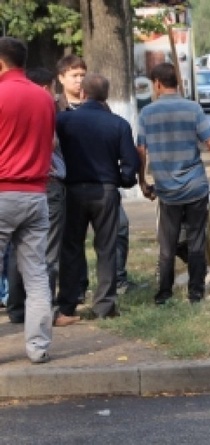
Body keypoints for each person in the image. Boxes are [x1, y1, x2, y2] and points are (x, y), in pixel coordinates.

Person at [137, 62, 210, 305]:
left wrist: (142, 180)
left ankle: (164, 294)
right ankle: (196, 293)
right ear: (176, 83)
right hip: (195, 187)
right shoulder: (193, 108)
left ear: (157, 84)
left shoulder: (147, 113)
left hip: (167, 191)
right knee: (197, 241)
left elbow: (141, 150)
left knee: (167, 245)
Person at [55, 73, 139, 320]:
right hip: (106, 191)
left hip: (72, 191)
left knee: (71, 247)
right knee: (106, 248)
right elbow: (130, 162)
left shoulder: (64, 121)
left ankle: (68, 303)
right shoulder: (119, 124)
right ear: (107, 95)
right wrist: (123, 180)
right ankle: (104, 305)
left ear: (83, 93)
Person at [5, 67, 79, 327]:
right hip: (42, 186)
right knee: (43, 257)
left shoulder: (10, 103)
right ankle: (41, 324)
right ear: (46, 87)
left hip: (7, 188)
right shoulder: (44, 105)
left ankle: (16, 309)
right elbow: (51, 144)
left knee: (15, 253)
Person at [0, 37, 56, 364]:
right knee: (36, 274)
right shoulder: (44, 97)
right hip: (36, 195)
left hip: (3, 191)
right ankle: (37, 347)